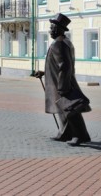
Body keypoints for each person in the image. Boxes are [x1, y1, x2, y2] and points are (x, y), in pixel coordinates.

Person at [35, 13, 91, 147]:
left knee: (70, 109)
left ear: (58, 29)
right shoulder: (65, 42)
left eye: (52, 27)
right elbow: (61, 64)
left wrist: (62, 86)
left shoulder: (59, 44)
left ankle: (80, 135)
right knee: (64, 109)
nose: (50, 30)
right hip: (62, 81)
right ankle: (65, 133)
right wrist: (44, 72)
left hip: (61, 83)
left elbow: (65, 66)